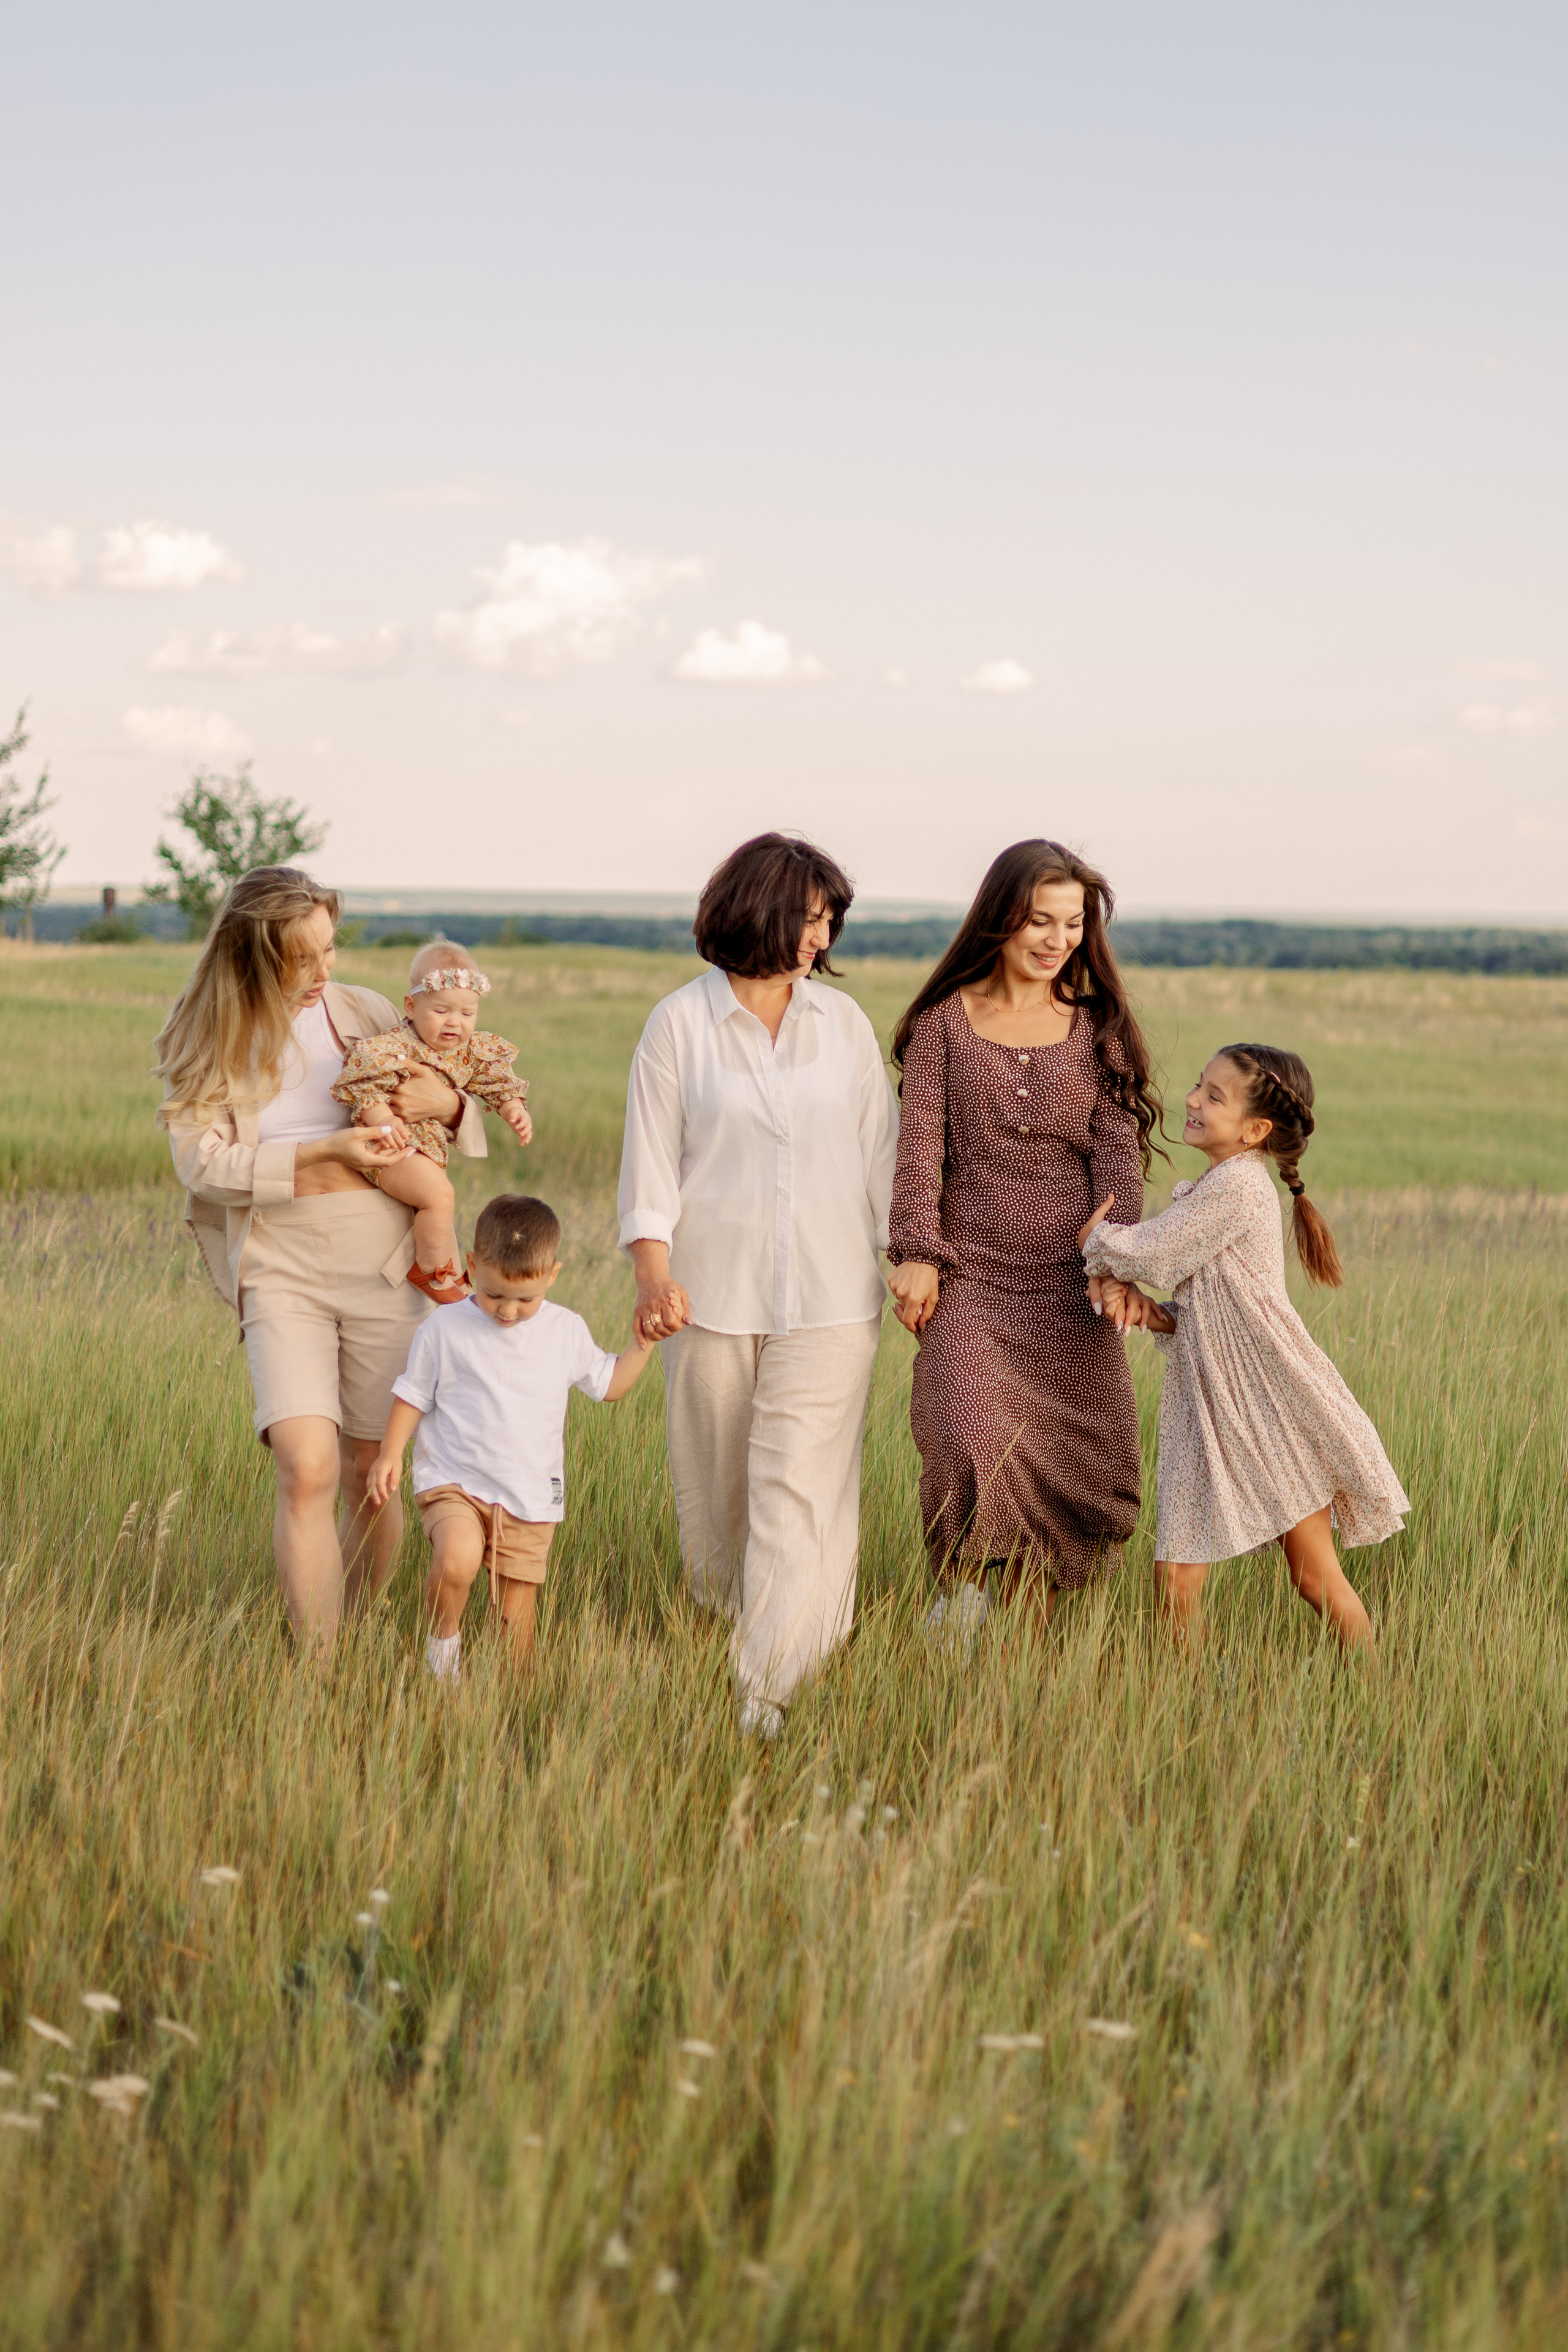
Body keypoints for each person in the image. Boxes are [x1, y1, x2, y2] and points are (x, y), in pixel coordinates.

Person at [156, 866, 488, 1649]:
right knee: (305, 1464)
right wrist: (320, 1155)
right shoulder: (207, 1032)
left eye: (329, 950)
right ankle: (319, 1670)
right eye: (301, 959)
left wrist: (453, 1104)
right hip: (278, 1261)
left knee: (372, 1477)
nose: (323, 972)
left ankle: (342, 1635)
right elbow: (200, 1163)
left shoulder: (365, 1012)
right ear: (250, 955)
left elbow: (453, 1086)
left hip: (384, 1259)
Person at [617, 831, 899, 1739]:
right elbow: (650, 1170)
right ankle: (747, 1629)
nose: (821, 938)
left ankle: (765, 1689)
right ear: (759, 911)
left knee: (800, 1489)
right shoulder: (679, 1025)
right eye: (810, 918)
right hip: (709, 1295)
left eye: (829, 922)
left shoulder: (843, 1027)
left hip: (833, 1293)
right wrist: (653, 1279)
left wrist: (911, 1262)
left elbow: (882, 1159)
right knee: (720, 1503)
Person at [886, 839, 1166, 1642]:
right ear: (1000, 918)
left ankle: (1022, 1668)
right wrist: (916, 1250)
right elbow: (920, 1154)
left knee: (1072, 1469)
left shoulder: (1097, 1026)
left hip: (1073, 1287)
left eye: (1073, 924)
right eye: (1039, 921)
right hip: (969, 1277)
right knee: (969, 1443)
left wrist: (1116, 1253)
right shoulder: (944, 1023)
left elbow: (1117, 1150)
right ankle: (961, 1617)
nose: (1056, 940)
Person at [1080, 1043, 1406, 1652]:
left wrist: (1093, 1240)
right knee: (1177, 1579)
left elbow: (1145, 1253)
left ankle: (1375, 1690)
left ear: (1255, 1130)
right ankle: (1186, 1710)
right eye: (1199, 1085)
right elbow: (1216, 1309)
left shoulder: (1238, 1188)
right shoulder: (1218, 1185)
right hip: (1211, 1411)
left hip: (1267, 1411)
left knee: (1313, 1578)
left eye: (1213, 1095)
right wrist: (1155, 1315)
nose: (1192, 1100)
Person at [366, 1193, 654, 1679]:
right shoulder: (445, 1327)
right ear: (473, 1265)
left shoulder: (565, 1330)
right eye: (495, 1294)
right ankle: (442, 1651)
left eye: (526, 1299)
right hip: (453, 1481)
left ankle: (513, 1708)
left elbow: (611, 1386)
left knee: (517, 1636)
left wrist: (643, 1344)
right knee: (457, 1561)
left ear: (553, 1276)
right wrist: (390, 1453)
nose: (508, 1311)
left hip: (528, 1497)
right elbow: (413, 1394)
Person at [333, 940, 533, 1302]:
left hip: (423, 1151)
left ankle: (445, 1269)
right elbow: (366, 1085)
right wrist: (382, 1120)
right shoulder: (396, 1046)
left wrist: (515, 1108)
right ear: (411, 1006)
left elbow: (497, 1081)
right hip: (389, 1146)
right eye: (441, 1011)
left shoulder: (470, 1052)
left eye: (467, 1014)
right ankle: (430, 1270)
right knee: (439, 1196)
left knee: (436, 1196)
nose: (455, 1023)